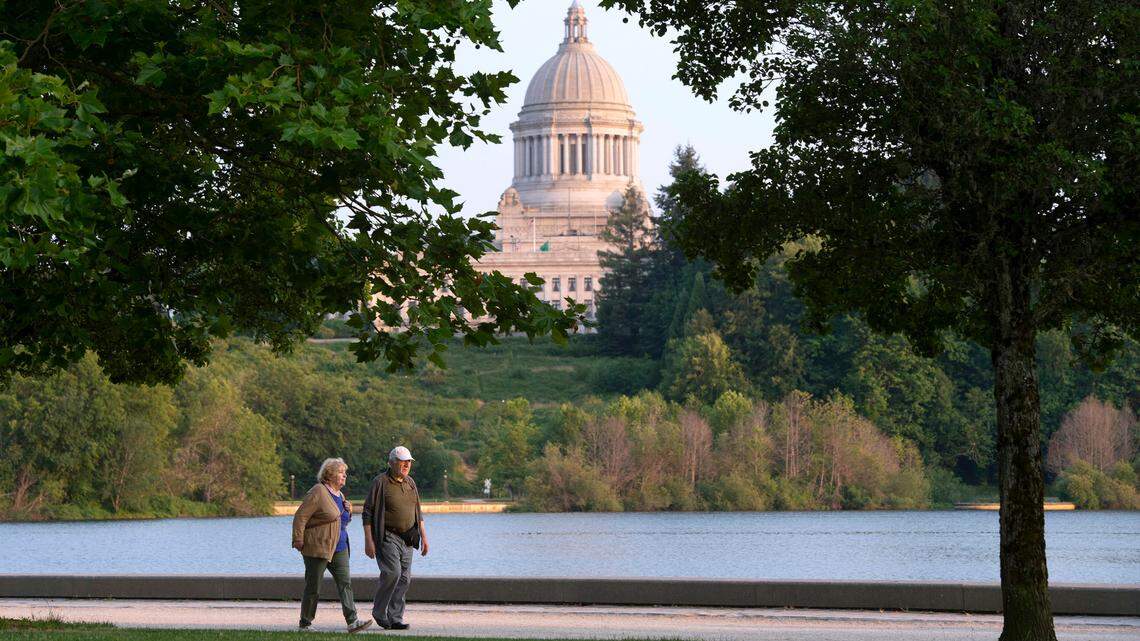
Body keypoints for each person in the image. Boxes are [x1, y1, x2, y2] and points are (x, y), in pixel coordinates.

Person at [291, 457, 372, 633]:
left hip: (340, 547)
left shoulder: (341, 495)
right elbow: (301, 517)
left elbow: (340, 522)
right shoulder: (318, 491)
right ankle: (305, 623)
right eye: (341, 473)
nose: (345, 476)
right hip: (318, 546)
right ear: (330, 474)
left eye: (345, 473)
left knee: (346, 584)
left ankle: (353, 622)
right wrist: (298, 539)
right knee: (313, 586)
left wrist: (348, 512)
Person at [362, 445, 429, 630]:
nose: (406, 465)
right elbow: (367, 513)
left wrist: (424, 537)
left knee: (405, 579)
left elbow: (418, 512)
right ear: (391, 463)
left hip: (409, 538)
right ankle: (379, 612)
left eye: (409, 461)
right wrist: (369, 541)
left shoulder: (411, 483)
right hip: (388, 536)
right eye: (402, 461)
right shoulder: (380, 482)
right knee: (393, 573)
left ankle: (395, 618)